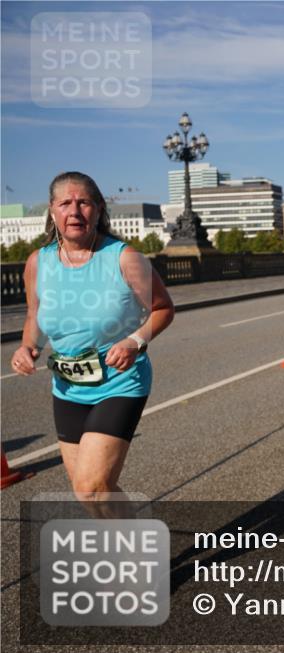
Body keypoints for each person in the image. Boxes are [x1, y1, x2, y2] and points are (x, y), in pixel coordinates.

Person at [9, 172, 174, 517]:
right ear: (52, 210)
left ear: (98, 209)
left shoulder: (124, 258)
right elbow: (34, 315)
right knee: (91, 494)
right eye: (65, 203)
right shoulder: (38, 262)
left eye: (83, 202)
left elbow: (163, 308)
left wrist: (134, 341)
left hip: (119, 381)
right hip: (68, 387)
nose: (74, 211)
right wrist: (27, 347)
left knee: (92, 486)